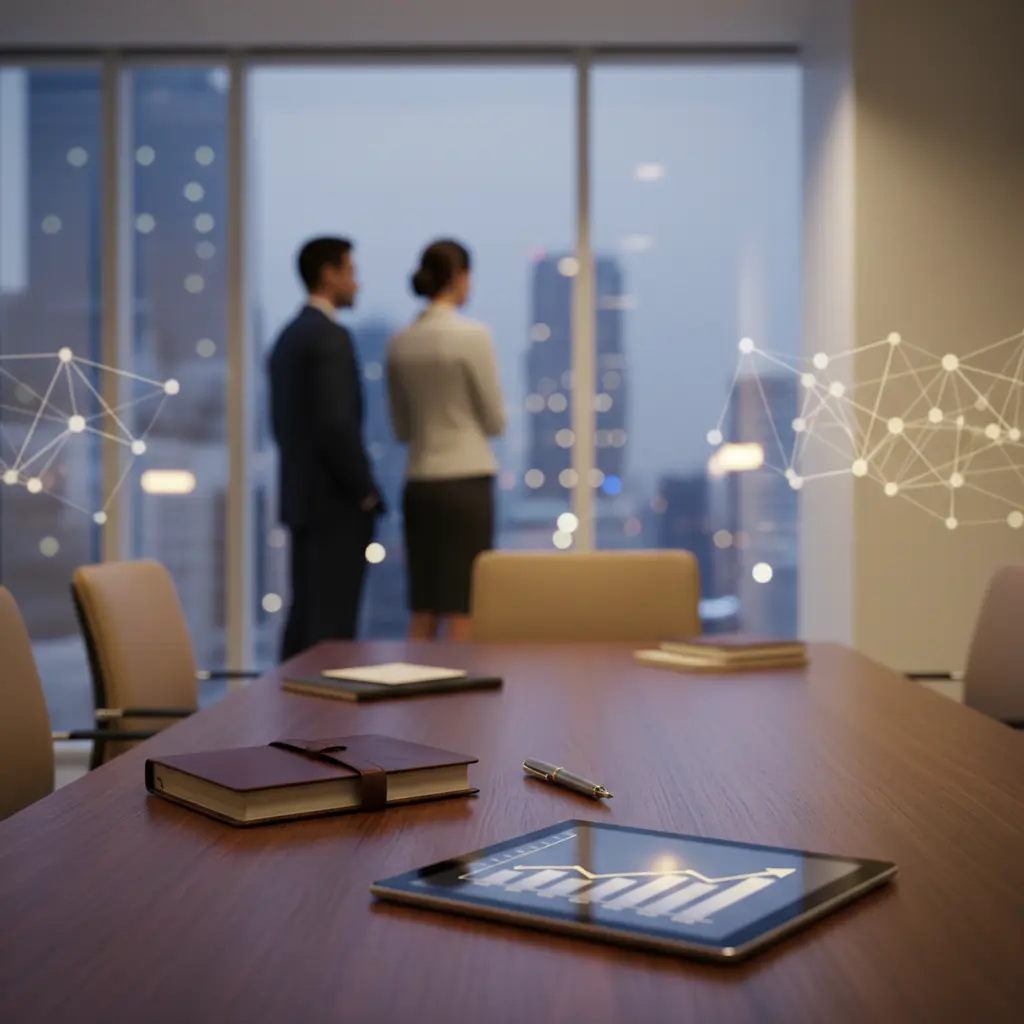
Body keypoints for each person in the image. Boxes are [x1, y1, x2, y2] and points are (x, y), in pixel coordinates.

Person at [267, 237, 384, 660]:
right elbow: (337, 426)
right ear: (328, 273)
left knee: (304, 627)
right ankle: (326, 726)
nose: (357, 282)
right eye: (351, 271)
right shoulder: (330, 338)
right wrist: (366, 492)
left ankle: (294, 719)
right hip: (336, 506)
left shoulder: (287, 338)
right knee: (333, 636)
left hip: (302, 502)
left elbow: (284, 427)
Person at [386, 240, 506, 641]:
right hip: (467, 482)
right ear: (459, 277)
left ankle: (410, 695)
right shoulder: (474, 336)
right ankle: (460, 701)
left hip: (419, 482)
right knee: (463, 606)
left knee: (423, 606)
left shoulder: (399, 343)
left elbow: (401, 430)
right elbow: (495, 420)